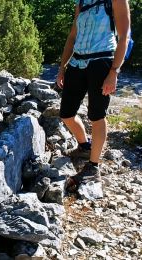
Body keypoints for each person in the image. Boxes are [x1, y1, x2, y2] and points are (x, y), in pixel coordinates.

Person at [56, 0, 131, 192]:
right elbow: (72, 36)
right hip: (77, 63)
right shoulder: (81, 1)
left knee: (97, 115)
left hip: (102, 62)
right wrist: (62, 68)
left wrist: (114, 71)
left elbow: (124, 36)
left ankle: (93, 166)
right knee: (66, 114)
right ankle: (84, 145)